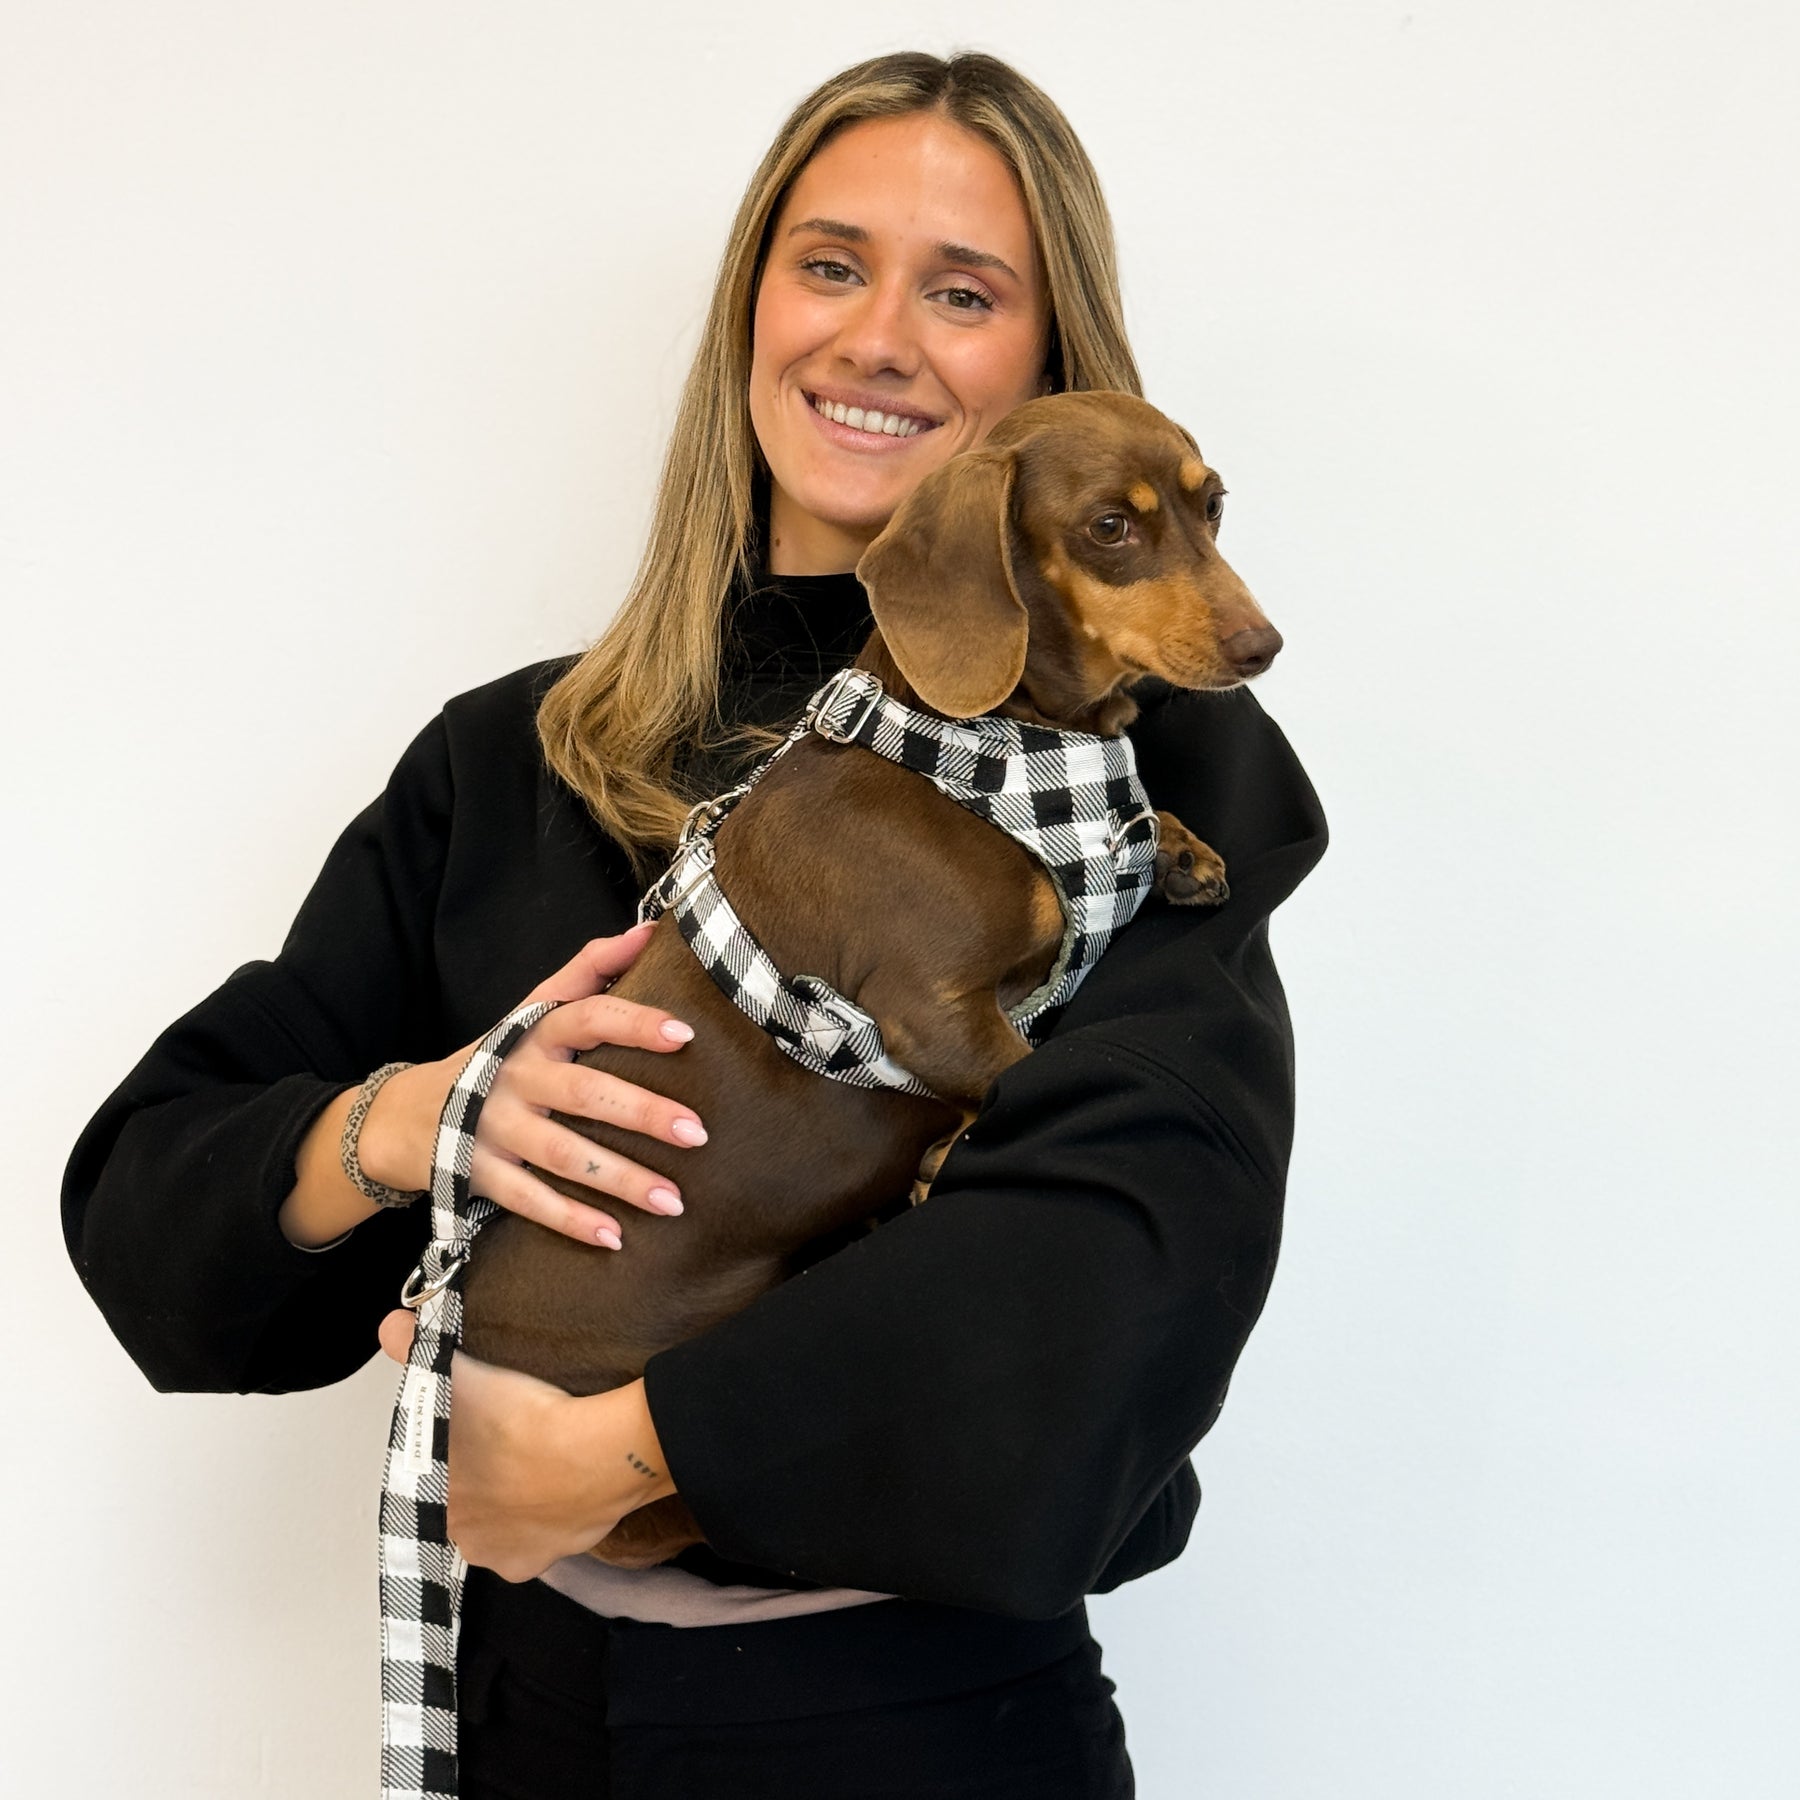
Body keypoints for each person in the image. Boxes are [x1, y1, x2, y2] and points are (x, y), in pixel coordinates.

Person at [62, 48, 1326, 1800]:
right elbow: (152, 1213)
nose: (878, 338)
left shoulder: (1147, 786)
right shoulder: (512, 757)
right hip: (526, 1717)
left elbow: (1125, 1264)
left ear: (1051, 371)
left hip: (922, 1732)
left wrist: (620, 1456)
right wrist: (421, 1119)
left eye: (964, 293)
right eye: (830, 266)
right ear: (751, 314)